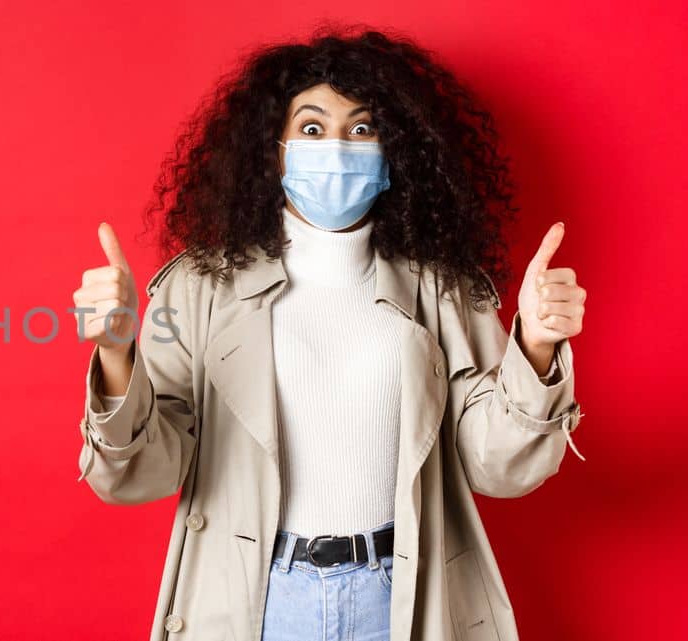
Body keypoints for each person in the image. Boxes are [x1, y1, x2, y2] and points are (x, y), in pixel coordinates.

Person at [71, 25, 588, 641]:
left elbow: (499, 469)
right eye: (312, 129)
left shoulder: (444, 288)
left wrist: (534, 346)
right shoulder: (200, 286)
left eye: (361, 129)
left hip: (401, 597)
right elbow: (142, 475)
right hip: (257, 599)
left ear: (396, 152)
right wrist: (116, 355)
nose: (337, 148)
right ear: (274, 150)